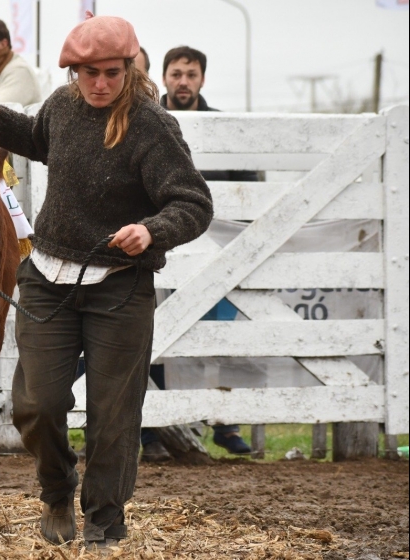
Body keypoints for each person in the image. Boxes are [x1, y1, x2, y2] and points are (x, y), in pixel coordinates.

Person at [0, 13, 213, 551]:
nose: (99, 83)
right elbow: (36, 138)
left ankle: (105, 517)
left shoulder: (152, 125)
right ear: (72, 71)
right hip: (49, 276)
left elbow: (193, 203)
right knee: (35, 404)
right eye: (87, 73)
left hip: (119, 286)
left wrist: (151, 231)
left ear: (129, 68)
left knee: (113, 413)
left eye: (110, 72)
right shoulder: (62, 105)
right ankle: (56, 490)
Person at [155, 45, 255, 457]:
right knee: (158, 334)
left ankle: (225, 422)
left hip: (218, 256)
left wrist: (244, 239)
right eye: (176, 73)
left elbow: (249, 185)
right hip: (164, 246)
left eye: (191, 74)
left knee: (219, 337)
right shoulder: (150, 120)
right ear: (164, 77)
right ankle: (153, 429)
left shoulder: (224, 126)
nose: (183, 81)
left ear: (202, 79)